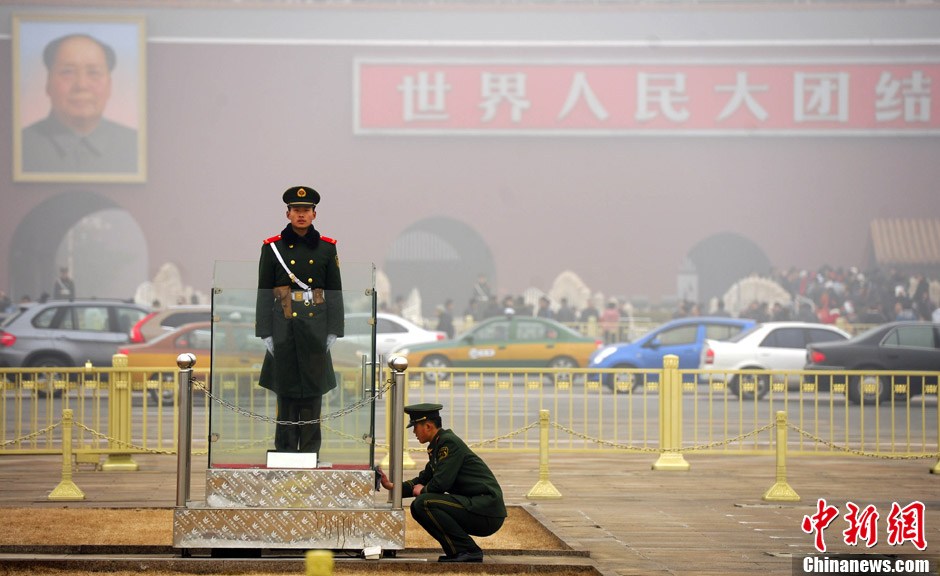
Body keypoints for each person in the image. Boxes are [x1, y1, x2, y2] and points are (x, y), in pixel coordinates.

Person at [255, 185, 344, 454]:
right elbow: (263, 291)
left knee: (313, 395)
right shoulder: (273, 248)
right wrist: (265, 332)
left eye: (306, 210)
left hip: (314, 329)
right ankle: (283, 453)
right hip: (283, 328)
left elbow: (335, 292)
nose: (301, 215)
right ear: (288, 213)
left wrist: (334, 331)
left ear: (314, 214)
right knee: (285, 394)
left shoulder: (327, 249)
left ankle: (309, 453)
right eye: (296, 210)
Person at [377, 403, 506, 563]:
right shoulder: (438, 445)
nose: (414, 432)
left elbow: (440, 484)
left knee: (424, 503)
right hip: (475, 505)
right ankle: (457, 551)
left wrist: (422, 491)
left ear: (428, 426)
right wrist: (391, 486)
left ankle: (468, 550)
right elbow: (422, 480)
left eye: (415, 427)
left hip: (486, 508)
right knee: (419, 507)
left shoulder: (448, 444)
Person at [21, 33, 138, 174]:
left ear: (109, 86)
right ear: (48, 83)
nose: (81, 85)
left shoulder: (136, 145)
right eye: (67, 72)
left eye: (94, 73)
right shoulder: (20, 146)